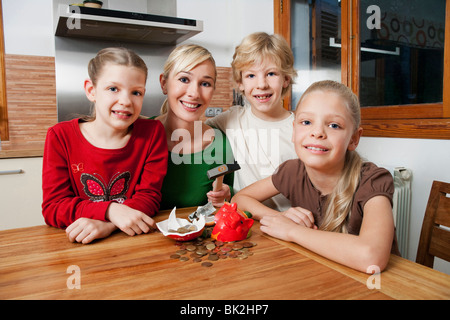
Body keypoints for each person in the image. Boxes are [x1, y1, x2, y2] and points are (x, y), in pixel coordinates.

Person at [232, 80, 400, 273]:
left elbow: (372, 258)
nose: (317, 132)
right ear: (294, 131)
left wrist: (293, 231)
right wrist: (279, 218)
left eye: (334, 125)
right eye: (306, 122)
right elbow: (240, 199)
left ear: (354, 138)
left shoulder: (373, 180)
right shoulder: (293, 171)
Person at [42, 47, 168, 244]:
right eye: (113, 89)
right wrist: (110, 210)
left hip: (130, 242)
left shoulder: (152, 133)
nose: (126, 101)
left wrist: (108, 225)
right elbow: (54, 207)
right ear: (91, 91)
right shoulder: (60, 136)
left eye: (136, 92)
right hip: (78, 245)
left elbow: (149, 197)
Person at [206, 32, 298, 211]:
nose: (261, 84)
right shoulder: (231, 119)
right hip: (250, 226)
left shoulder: (300, 127)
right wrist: (227, 191)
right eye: (251, 76)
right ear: (240, 83)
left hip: (292, 226)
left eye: (271, 73)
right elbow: (191, 129)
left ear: (286, 79)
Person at [154, 44, 235, 209]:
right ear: (164, 83)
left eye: (205, 84)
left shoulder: (221, 145)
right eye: (184, 79)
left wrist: (227, 195)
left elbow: (228, 196)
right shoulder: (139, 134)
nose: (194, 93)